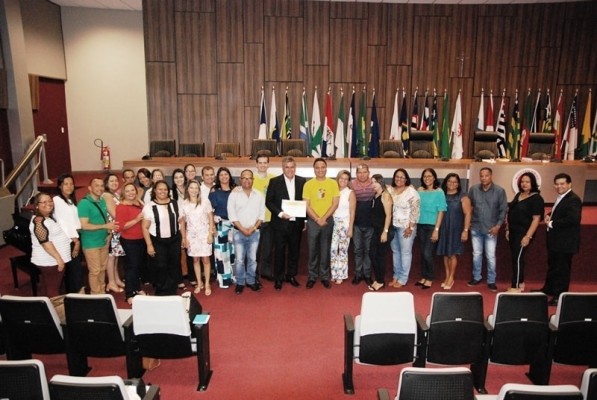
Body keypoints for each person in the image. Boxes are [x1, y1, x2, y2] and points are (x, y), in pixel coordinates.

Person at [538, 173, 581, 306]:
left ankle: (559, 296)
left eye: (562, 184)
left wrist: (552, 223)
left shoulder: (574, 199)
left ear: (569, 184)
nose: (559, 186)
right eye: (556, 184)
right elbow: (560, 211)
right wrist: (549, 215)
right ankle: (548, 289)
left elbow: (573, 219)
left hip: (565, 242)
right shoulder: (562, 197)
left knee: (562, 270)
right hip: (556, 241)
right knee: (553, 267)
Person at [266, 156, 306, 291]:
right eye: (287, 167)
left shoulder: (302, 181)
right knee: (279, 251)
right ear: (282, 168)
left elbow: (305, 202)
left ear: (295, 167)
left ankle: (291, 275)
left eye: (292, 167)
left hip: (296, 223)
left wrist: (304, 220)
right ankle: (279, 278)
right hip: (279, 223)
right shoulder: (274, 181)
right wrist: (280, 213)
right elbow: (269, 202)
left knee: (294, 251)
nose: (290, 170)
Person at [142, 180, 185, 295]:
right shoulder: (149, 206)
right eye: (160, 189)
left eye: (165, 189)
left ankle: (172, 290)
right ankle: (161, 290)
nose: (163, 191)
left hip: (174, 239)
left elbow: (181, 221)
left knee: (174, 264)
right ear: (155, 191)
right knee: (160, 265)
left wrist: (184, 238)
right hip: (157, 241)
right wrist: (149, 245)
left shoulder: (175, 204)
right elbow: (145, 227)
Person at [467, 167, 507, 292]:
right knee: (476, 254)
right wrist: (468, 222)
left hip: (491, 229)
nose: (484, 178)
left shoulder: (499, 191)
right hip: (476, 227)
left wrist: (498, 226)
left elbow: (503, 210)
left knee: (490, 256)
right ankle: (476, 277)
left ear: (491, 176)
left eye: (486, 175)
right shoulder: (473, 190)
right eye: (482, 176)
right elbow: (469, 207)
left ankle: (491, 280)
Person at [303, 158, 339, 289]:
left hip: (328, 221)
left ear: (326, 168)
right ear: (314, 169)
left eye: (322, 167)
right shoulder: (308, 184)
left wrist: (324, 218)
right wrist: (317, 219)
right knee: (312, 250)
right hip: (313, 221)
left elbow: (335, 204)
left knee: (325, 249)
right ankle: (312, 276)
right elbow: (306, 205)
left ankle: (324, 276)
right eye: (317, 167)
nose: (320, 170)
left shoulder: (333, 183)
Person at [505, 172, 544, 292]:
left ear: (533, 183)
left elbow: (536, 219)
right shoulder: (518, 194)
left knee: (517, 259)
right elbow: (511, 212)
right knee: (516, 258)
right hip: (513, 232)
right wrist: (508, 229)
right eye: (522, 181)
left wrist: (528, 236)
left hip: (524, 233)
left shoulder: (536, 198)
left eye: (527, 182)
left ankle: (515, 286)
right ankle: (520, 283)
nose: (524, 184)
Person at [228, 169, 265, 294]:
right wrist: (243, 229)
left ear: (253, 180)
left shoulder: (259, 195)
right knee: (239, 260)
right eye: (244, 178)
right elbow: (232, 215)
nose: (247, 180)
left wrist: (253, 228)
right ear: (240, 180)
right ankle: (240, 282)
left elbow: (261, 215)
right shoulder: (234, 195)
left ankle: (251, 281)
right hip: (238, 232)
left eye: (249, 178)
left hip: (254, 233)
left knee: (252, 259)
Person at [78, 177, 116, 294]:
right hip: (91, 243)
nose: (100, 188)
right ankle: (95, 294)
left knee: (102, 269)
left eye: (102, 186)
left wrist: (109, 233)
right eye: (96, 186)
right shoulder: (84, 203)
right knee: (95, 271)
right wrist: (105, 226)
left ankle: (102, 292)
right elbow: (84, 225)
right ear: (90, 188)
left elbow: (105, 219)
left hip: (103, 240)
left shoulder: (102, 201)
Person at [30, 192, 72, 298]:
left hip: (51, 260)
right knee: (53, 291)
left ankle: (44, 307)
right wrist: (59, 259)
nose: (48, 203)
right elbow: (45, 243)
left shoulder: (45, 218)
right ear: (37, 205)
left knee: (48, 287)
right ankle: (54, 308)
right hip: (50, 261)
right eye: (44, 202)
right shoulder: (39, 221)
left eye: (50, 201)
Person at [436, 173, 472, 290]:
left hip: (456, 229)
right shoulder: (442, 195)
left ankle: (451, 277)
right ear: (446, 182)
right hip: (444, 227)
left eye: (455, 182)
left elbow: (468, 214)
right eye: (449, 181)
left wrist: (465, 230)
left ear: (458, 184)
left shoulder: (463, 197)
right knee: (445, 254)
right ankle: (447, 276)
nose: (452, 184)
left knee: (452, 254)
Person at [180, 180, 215, 296]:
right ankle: (199, 283)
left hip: (204, 234)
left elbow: (210, 217)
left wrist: (210, 233)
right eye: (191, 188)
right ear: (187, 189)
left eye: (196, 188)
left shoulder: (205, 202)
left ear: (199, 190)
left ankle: (207, 283)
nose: (194, 190)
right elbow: (182, 222)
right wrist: (184, 238)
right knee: (195, 260)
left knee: (206, 259)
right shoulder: (184, 204)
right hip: (191, 235)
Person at [414, 168, 447, 289]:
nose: (427, 178)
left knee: (428, 253)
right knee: (423, 253)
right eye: (425, 176)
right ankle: (424, 276)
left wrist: (436, 230)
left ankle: (430, 278)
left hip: (432, 226)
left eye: (429, 176)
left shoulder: (439, 192)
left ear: (434, 178)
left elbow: (441, 211)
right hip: (420, 225)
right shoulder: (420, 191)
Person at [388, 168, 420, 288]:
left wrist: (411, 227)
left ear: (406, 179)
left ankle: (403, 278)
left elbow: (415, 211)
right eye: (397, 176)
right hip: (393, 226)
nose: (399, 179)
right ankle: (396, 276)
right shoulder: (390, 190)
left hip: (406, 227)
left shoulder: (411, 192)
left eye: (402, 177)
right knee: (395, 252)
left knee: (405, 253)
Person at [52, 173, 84, 293]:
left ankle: (75, 294)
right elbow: (63, 223)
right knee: (74, 270)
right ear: (59, 186)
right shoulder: (57, 200)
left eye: (71, 184)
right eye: (66, 184)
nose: (69, 186)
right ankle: (77, 295)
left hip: (75, 237)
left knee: (74, 269)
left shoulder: (70, 200)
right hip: (69, 240)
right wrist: (76, 241)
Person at [115, 182, 146, 304]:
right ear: (123, 193)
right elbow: (121, 227)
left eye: (132, 190)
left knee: (138, 266)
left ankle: (137, 288)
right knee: (131, 267)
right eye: (127, 191)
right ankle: (129, 293)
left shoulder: (139, 203)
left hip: (141, 238)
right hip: (129, 240)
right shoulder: (121, 207)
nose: (130, 193)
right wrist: (136, 220)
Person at [209, 167, 237, 289]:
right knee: (221, 254)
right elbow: (210, 212)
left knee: (233, 252)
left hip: (235, 225)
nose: (224, 177)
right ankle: (224, 279)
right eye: (221, 175)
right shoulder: (214, 192)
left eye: (226, 174)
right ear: (218, 177)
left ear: (229, 176)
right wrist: (212, 227)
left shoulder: (236, 191)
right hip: (220, 226)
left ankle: (233, 276)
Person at [351, 164, 375, 286]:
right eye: (359, 172)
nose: (362, 175)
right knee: (358, 250)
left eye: (364, 172)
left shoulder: (374, 184)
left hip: (371, 224)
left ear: (368, 173)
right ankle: (358, 274)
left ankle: (367, 275)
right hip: (356, 224)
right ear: (356, 174)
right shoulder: (351, 184)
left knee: (368, 251)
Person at [368, 174, 393, 291]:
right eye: (372, 182)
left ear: (380, 182)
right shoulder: (375, 195)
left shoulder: (385, 195)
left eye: (375, 182)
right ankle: (378, 279)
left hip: (384, 230)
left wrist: (385, 231)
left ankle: (380, 281)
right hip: (376, 230)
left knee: (380, 256)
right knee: (372, 254)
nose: (373, 184)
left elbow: (388, 215)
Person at [330, 170, 355, 284]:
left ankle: (341, 275)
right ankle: (334, 273)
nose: (343, 181)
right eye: (341, 178)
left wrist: (350, 228)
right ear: (338, 178)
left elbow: (352, 212)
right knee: (333, 249)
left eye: (346, 179)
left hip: (345, 223)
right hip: (334, 223)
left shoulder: (350, 193)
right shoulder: (333, 191)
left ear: (348, 181)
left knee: (343, 250)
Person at [252, 154, 275, 281]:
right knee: (255, 249)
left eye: (265, 162)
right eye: (260, 163)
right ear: (256, 164)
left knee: (268, 248)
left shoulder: (274, 179)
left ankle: (265, 271)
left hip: (270, 219)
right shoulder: (251, 179)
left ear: (268, 164)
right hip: (255, 220)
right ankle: (253, 273)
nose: (262, 165)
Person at [103, 173, 126, 293]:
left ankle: (116, 279)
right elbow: (114, 214)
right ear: (106, 183)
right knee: (111, 256)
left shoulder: (115, 194)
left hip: (117, 229)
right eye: (111, 181)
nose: (114, 183)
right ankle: (111, 282)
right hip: (112, 229)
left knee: (116, 255)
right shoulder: (107, 195)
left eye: (116, 181)